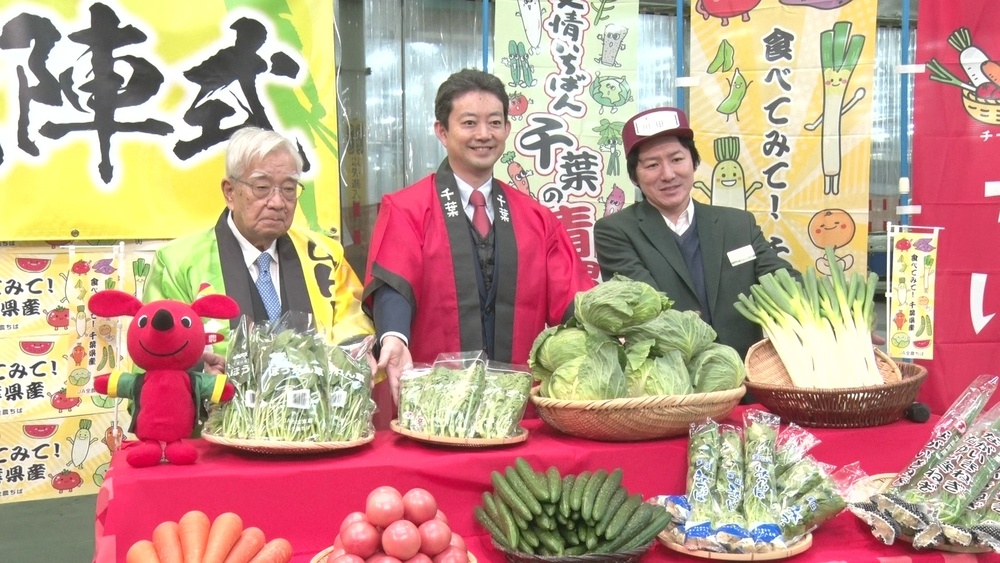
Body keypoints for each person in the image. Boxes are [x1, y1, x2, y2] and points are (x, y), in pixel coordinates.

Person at [364, 68, 595, 403]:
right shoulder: (407, 209)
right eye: (469, 123)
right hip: (434, 405)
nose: (484, 134)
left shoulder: (537, 219)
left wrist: (613, 329)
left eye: (495, 122)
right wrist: (394, 337)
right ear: (442, 131)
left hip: (517, 408)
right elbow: (394, 285)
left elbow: (573, 299)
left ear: (507, 128)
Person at [144, 126, 374, 362]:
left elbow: (354, 325)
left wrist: (353, 354)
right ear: (230, 192)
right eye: (262, 187)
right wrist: (203, 377)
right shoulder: (177, 264)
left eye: (288, 189)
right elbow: (158, 354)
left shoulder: (324, 255)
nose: (277, 202)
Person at [594, 107, 798, 362]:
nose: (668, 174)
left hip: (746, 377)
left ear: (694, 162)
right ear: (635, 177)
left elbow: (779, 278)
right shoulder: (616, 231)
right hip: (671, 381)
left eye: (677, 159)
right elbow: (645, 306)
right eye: (652, 165)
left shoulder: (737, 224)